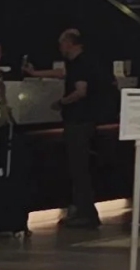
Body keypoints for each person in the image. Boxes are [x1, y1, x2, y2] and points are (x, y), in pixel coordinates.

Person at [27, 28, 110, 229]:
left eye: (62, 43)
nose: (60, 47)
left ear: (70, 43)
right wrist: (35, 73)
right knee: (80, 168)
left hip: (78, 122)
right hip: (86, 121)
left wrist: (61, 102)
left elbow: (80, 91)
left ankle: (85, 213)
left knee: (78, 169)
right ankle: (83, 211)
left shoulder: (80, 64)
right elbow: (62, 73)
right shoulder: (82, 62)